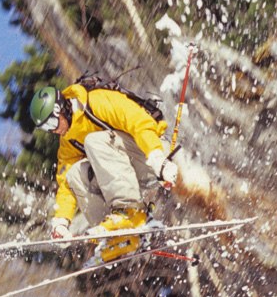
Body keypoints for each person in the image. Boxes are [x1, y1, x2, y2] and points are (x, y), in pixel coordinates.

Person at [29, 82, 178, 240]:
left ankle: (129, 212)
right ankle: (113, 234)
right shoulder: (68, 141)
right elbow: (66, 184)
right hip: (129, 175)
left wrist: (157, 159)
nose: (54, 130)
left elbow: (138, 122)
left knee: (93, 141)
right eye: (47, 128)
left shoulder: (96, 102)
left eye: (53, 123)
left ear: (63, 108)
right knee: (73, 174)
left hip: (155, 156)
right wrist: (61, 221)